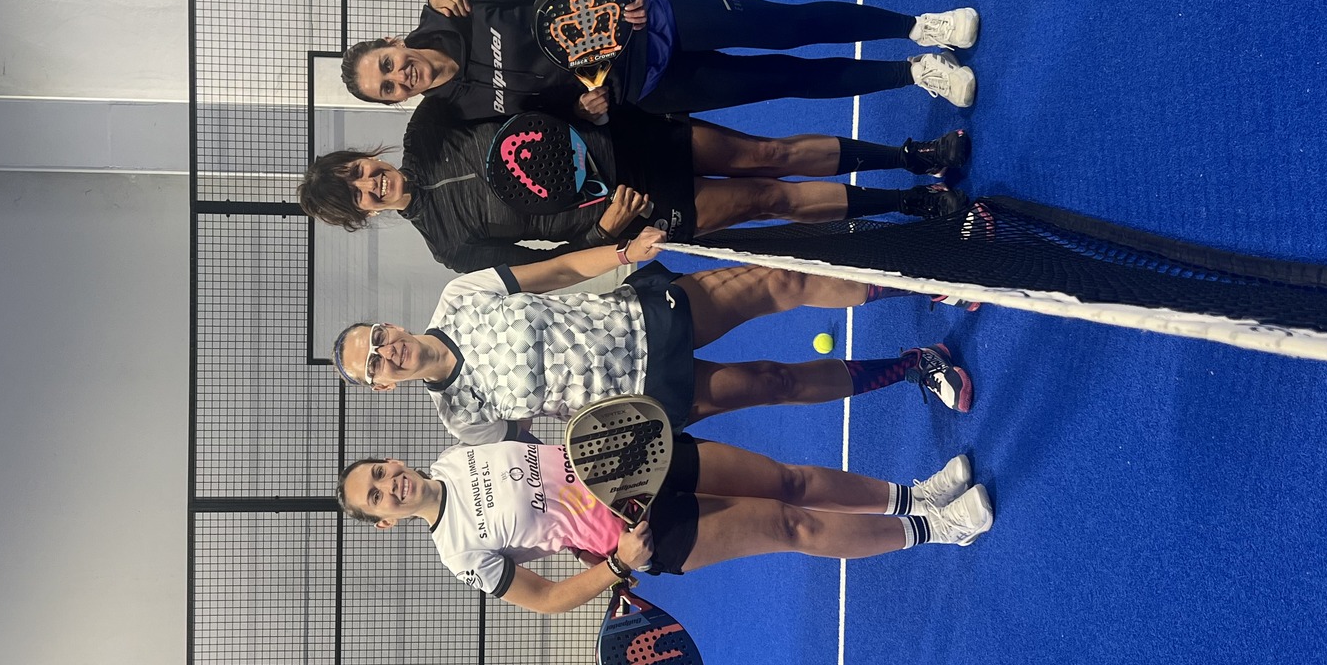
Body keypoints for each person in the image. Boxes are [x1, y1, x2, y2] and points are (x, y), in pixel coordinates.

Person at [330, 226, 974, 444]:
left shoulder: (458, 298)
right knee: (774, 382)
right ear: (382, 386)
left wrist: (622, 253)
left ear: (390, 324)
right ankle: (916, 365)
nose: (386, 351)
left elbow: (554, 272)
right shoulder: (461, 419)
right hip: (642, 399)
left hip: (643, 315)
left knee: (777, 281)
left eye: (377, 337)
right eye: (374, 364)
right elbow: (538, 457)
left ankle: (929, 284)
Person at [299, 93, 972, 272]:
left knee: (766, 151)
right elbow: (549, 265)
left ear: (365, 157)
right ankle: (911, 202)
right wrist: (607, 231)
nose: (371, 183)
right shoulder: (448, 248)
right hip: (628, 205)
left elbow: (497, 84)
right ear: (364, 214)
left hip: (626, 138)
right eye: (357, 195)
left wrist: (574, 104)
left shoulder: (426, 129)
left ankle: (910, 155)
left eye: (358, 170)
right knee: (772, 198)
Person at [337, 439, 993, 612]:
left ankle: (914, 495)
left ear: (391, 460)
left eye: (380, 472)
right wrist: (617, 565)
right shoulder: (459, 553)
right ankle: (940, 529)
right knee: (789, 524)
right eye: (377, 497)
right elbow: (544, 598)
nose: (389, 485)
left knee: (787, 480)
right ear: (385, 522)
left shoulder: (455, 453)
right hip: (641, 532)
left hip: (638, 459)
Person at [337, 0, 979, 124]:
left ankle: (917, 26)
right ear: (397, 101)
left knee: (789, 26)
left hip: (656, 17)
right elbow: (545, 118)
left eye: (387, 64)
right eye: (389, 88)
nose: (400, 76)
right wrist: (586, 109)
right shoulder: (463, 111)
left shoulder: (458, 4)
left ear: (392, 40)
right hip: (652, 88)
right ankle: (917, 73)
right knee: (786, 79)